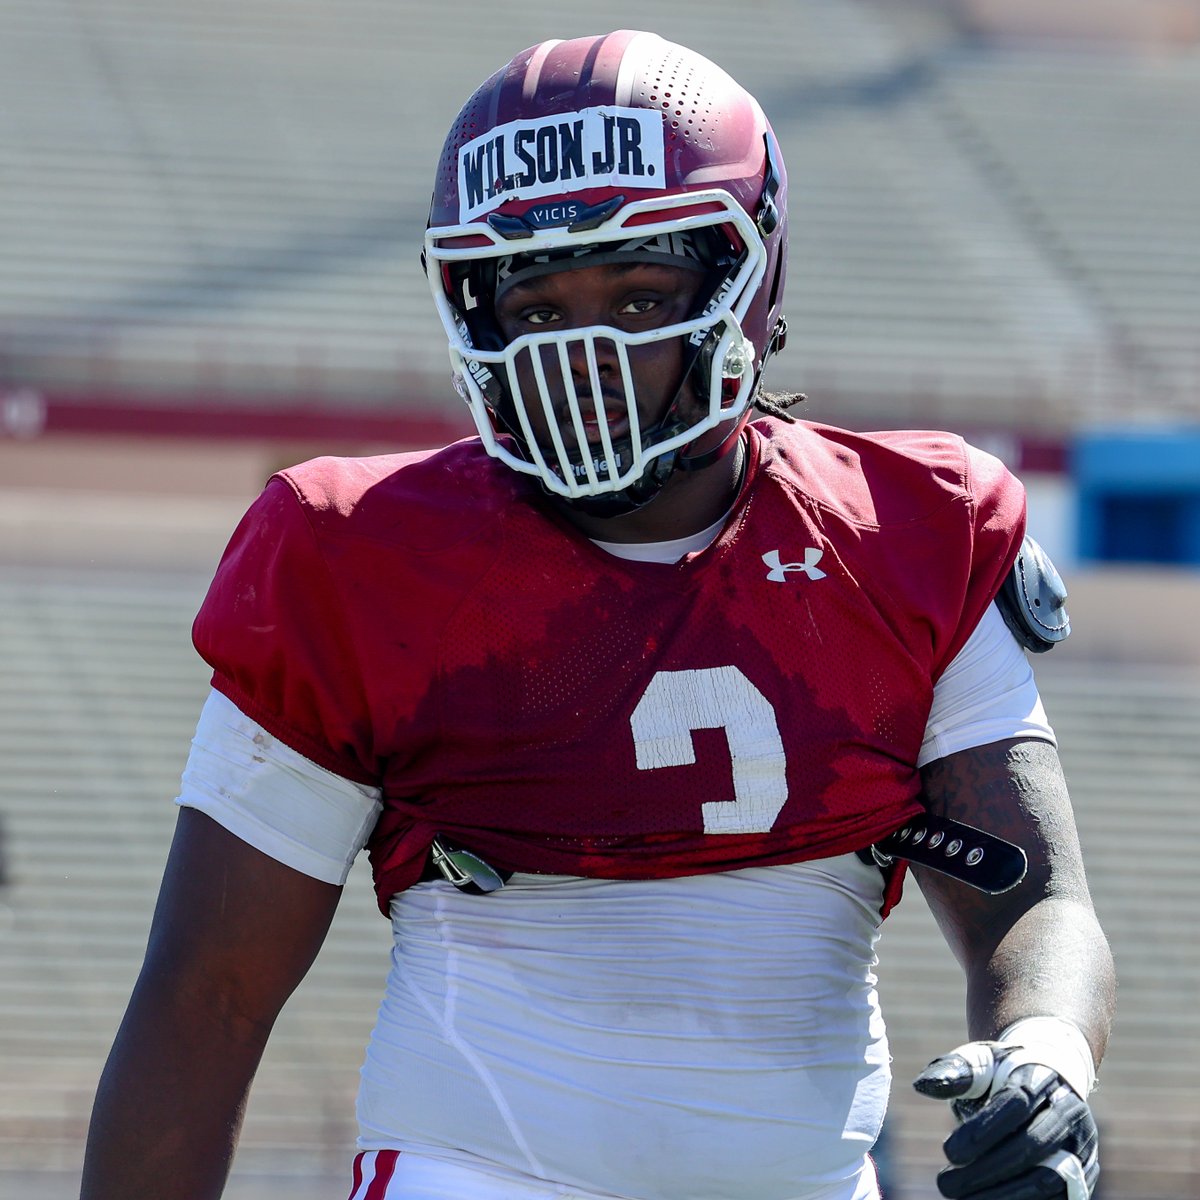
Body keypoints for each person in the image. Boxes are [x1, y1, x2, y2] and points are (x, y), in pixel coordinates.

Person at [80, 29, 1115, 1200]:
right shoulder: (359, 559)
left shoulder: (904, 532)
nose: (584, 353)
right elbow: (207, 996)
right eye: (536, 305)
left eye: (638, 296)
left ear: (747, 285)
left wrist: (1045, 1055)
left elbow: (1035, 901)